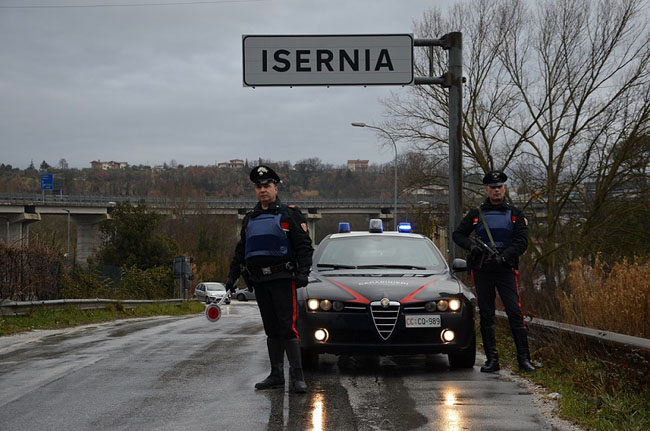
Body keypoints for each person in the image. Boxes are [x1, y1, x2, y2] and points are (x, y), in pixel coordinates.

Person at [225, 165, 314, 393]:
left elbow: (304, 246)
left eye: (267, 186)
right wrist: (231, 278)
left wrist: (303, 273)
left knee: (288, 328)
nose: (263, 190)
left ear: (275, 188)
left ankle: (297, 377)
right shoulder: (250, 218)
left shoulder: (288, 214)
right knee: (272, 330)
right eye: (258, 186)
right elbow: (241, 251)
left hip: (283, 279)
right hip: (260, 282)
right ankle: (276, 375)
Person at [452, 170, 536, 372]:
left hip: (505, 269)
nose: (496, 191)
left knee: (515, 312)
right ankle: (492, 360)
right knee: (487, 314)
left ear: (504, 188)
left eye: (499, 187)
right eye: (492, 187)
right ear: (486, 190)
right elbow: (458, 235)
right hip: (483, 269)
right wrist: (472, 248)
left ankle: (524, 359)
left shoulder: (516, 214)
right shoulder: (476, 214)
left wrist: (504, 256)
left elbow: (521, 242)